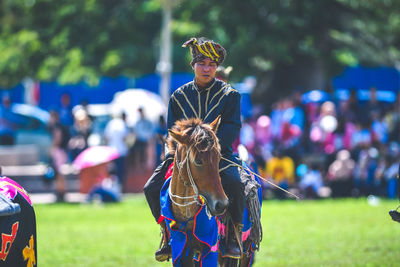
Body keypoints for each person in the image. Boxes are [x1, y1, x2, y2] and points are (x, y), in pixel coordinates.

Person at [143, 37, 245, 261]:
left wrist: (208, 150)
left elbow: (231, 128)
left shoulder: (230, 95)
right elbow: (172, 130)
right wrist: (175, 155)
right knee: (151, 188)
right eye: (202, 63)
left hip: (218, 155)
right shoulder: (178, 96)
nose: (207, 68)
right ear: (193, 66)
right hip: (182, 158)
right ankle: (167, 233)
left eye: (211, 64)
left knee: (236, 184)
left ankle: (233, 236)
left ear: (217, 67)